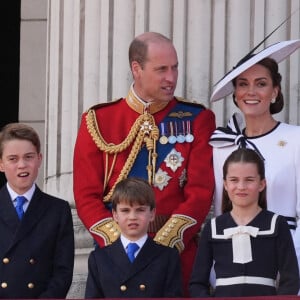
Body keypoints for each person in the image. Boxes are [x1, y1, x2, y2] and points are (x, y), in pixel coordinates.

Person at [73, 31, 215, 294]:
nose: (171, 77)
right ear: (136, 69)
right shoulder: (99, 120)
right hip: (116, 258)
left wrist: (162, 246)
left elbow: (200, 193)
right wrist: (123, 242)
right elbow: (86, 196)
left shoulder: (197, 118)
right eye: (161, 69)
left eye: (175, 68)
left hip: (175, 256)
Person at [209, 40, 300, 269]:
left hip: (285, 256)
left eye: (261, 84)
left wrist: (291, 267)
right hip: (232, 259)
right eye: (243, 84)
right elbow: (220, 211)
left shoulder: (295, 139)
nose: (251, 92)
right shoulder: (222, 145)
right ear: (235, 93)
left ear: (274, 91)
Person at [189, 148, 300, 297]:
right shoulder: (213, 227)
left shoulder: (277, 224)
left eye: (249, 180)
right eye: (234, 180)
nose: (241, 187)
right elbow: (197, 283)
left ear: (262, 184)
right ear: (225, 184)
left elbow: (291, 280)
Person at [0, 123, 74, 298]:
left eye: (29, 157)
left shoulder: (58, 211)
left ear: (39, 159)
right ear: (1, 164)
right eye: (13, 158)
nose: (22, 165)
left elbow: (62, 273)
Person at [85, 177, 183, 298]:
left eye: (140, 210)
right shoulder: (99, 259)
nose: (132, 217)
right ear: (115, 215)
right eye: (125, 210)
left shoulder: (167, 257)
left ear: (152, 214)